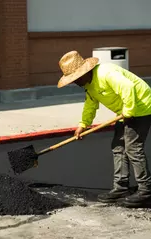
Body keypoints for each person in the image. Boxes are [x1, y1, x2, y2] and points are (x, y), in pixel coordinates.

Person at [57, 50, 151, 208]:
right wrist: (83, 125)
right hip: (125, 112)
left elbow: (128, 87)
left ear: (84, 72)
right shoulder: (89, 85)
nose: (74, 82)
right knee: (118, 147)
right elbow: (90, 105)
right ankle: (121, 188)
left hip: (141, 107)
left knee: (133, 148)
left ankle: (146, 190)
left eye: (75, 79)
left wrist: (128, 111)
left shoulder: (106, 73)